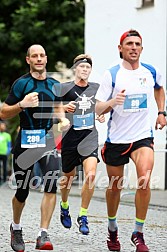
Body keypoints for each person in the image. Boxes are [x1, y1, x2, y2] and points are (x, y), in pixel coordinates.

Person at [95, 29, 166, 252]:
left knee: (144, 179)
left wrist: (162, 112)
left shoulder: (150, 71)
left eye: (137, 44)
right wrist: (112, 102)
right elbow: (97, 106)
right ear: (120, 48)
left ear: (141, 49)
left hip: (142, 136)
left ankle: (138, 233)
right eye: (129, 44)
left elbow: (159, 89)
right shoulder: (112, 74)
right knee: (116, 187)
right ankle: (112, 227)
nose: (133, 47)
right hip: (117, 139)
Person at [0, 44, 69, 251]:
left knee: (51, 184)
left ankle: (43, 234)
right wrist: (22, 104)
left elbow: (58, 105)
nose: (39, 59)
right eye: (34, 56)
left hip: (47, 142)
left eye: (42, 55)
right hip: (25, 143)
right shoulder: (21, 84)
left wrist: (62, 118)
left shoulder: (55, 84)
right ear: (28, 60)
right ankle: (16, 227)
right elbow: (3, 112)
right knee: (22, 190)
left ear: (46, 59)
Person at [59, 54, 105, 235]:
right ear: (75, 69)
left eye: (88, 68)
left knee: (91, 175)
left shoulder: (96, 88)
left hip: (89, 137)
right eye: (82, 67)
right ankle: (64, 205)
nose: (85, 70)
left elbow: (100, 106)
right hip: (70, 138)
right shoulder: (64, 88)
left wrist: (101, 114)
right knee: (68, 177)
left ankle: (83, 216)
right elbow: (53, 108)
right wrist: (63, 109)